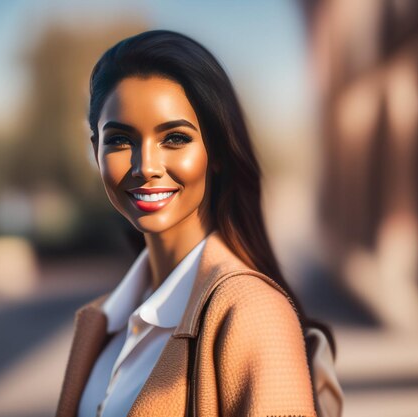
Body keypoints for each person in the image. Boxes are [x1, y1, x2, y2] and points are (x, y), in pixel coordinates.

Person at [56, 30, 323, 417]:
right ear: (95, 149)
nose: (144, 166)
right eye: (119, 140)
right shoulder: (101, 321)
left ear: (216, 151)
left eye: (175, 138)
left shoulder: (251, 313)